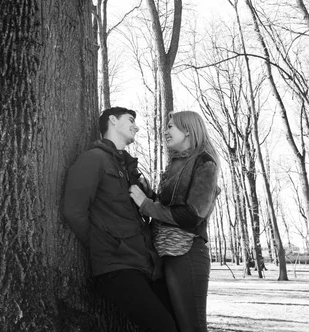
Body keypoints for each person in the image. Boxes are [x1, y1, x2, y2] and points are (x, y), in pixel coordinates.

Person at [63, 107, 178, 332]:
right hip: (118, 266)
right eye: (131, 120)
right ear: (113, 121)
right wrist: (103, 243)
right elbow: (73, 210)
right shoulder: (93, 159)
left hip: (148, 265)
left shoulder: (130, 169)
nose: (136, 126)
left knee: (180, 322)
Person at [129, 111, 221, 332]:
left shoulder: (204, 162)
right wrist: (148, 192)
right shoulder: (175, 164)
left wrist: (146, 205)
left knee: (191, 327)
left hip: (186, 254)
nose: (165, 131)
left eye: (171, 127)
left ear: (187, 129)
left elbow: (192, 215)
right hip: (165, 255)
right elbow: (169, 205)